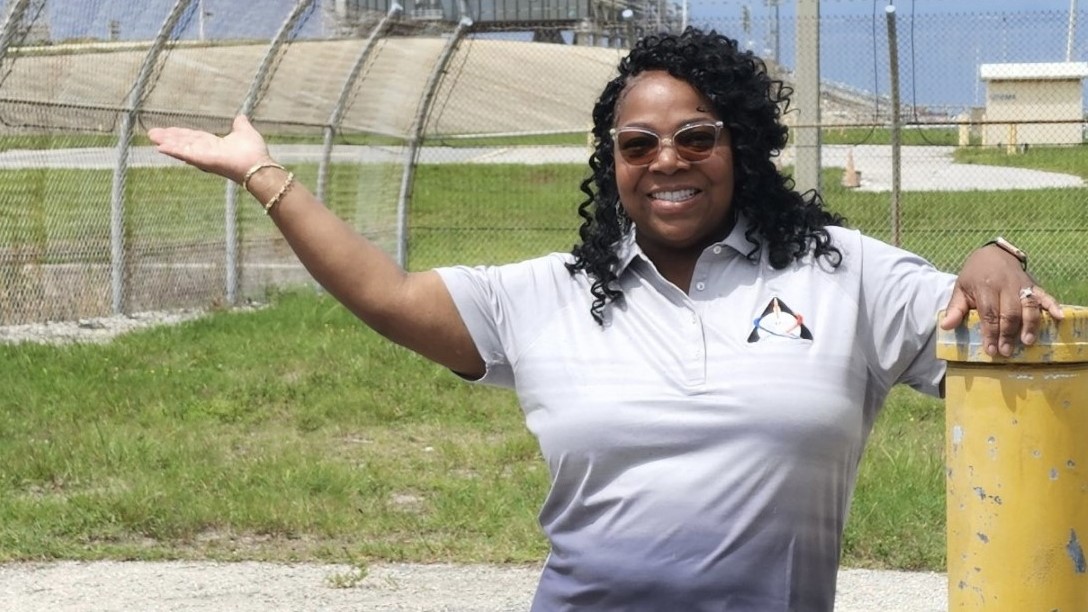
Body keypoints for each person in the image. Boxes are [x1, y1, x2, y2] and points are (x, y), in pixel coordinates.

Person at [149, 28, 1062, 612]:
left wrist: (998, 253)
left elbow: (993, 322)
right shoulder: (547, 294)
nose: (670, 161)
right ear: (613, 162)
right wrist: (264, 176)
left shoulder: (841, 272)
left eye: (697, 136)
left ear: (739, 145)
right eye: (639, 144)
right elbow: (388, 295)